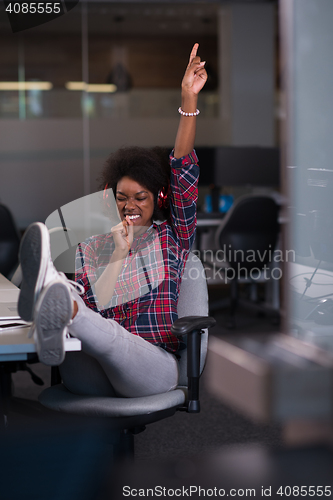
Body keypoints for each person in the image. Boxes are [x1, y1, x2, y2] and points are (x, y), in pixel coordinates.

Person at [18, 43, 207, 398]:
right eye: (121, 199)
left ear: (159, 199)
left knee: (111, 336)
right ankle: (60, 303)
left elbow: (183, 169)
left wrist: (188, 98)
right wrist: (118, 255)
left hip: (152, 368)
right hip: (95, 368)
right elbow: (101, 302)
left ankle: (57, 299)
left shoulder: (173, 237)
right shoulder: (93, 248)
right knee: (91, 332)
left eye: (140, 197)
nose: (129, 206)